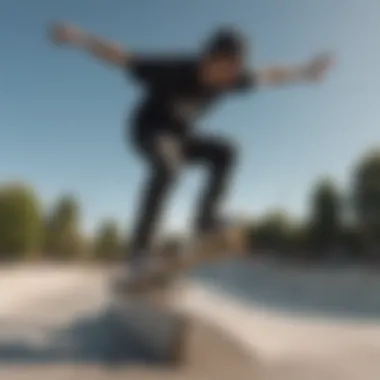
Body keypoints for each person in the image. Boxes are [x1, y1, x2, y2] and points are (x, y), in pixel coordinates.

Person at [49, 22, 334, 282]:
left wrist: (305, 72)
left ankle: (205, 221)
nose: (227, 79)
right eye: (225, 69)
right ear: (208, 58)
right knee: (168, 167)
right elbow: (121, 56)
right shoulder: (174, 69)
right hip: (147, 130)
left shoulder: (232, 80)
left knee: (226, 151)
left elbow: (270, 74)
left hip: (180, 138)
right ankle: (140, 251)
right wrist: (79, 38)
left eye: (234, 71)